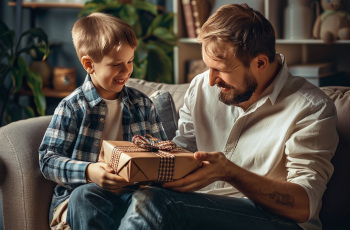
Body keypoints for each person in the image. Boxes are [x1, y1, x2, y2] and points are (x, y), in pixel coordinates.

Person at [117, 4, 339, 230]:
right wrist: (144, 165)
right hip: (196, 207)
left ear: (260, 63)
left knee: (156, 203)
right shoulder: (202, 86)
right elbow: (184, 148)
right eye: (208, 67)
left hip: (274, 220)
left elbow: (304, 205)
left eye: (221, 69)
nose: (211, 80)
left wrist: (231, 173)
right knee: (90, 195)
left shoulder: (311, 108)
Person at [38, 12, 167, 229]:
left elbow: (162, 151)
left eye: (130, 61)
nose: (126, 71)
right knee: (85, 196)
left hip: (133, 194)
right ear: (89, 65)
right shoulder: (72, 107)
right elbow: (47, 160)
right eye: (117, 64)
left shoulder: (143, 104)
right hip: (82, 194)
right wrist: (90, 172)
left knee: (152, 199)